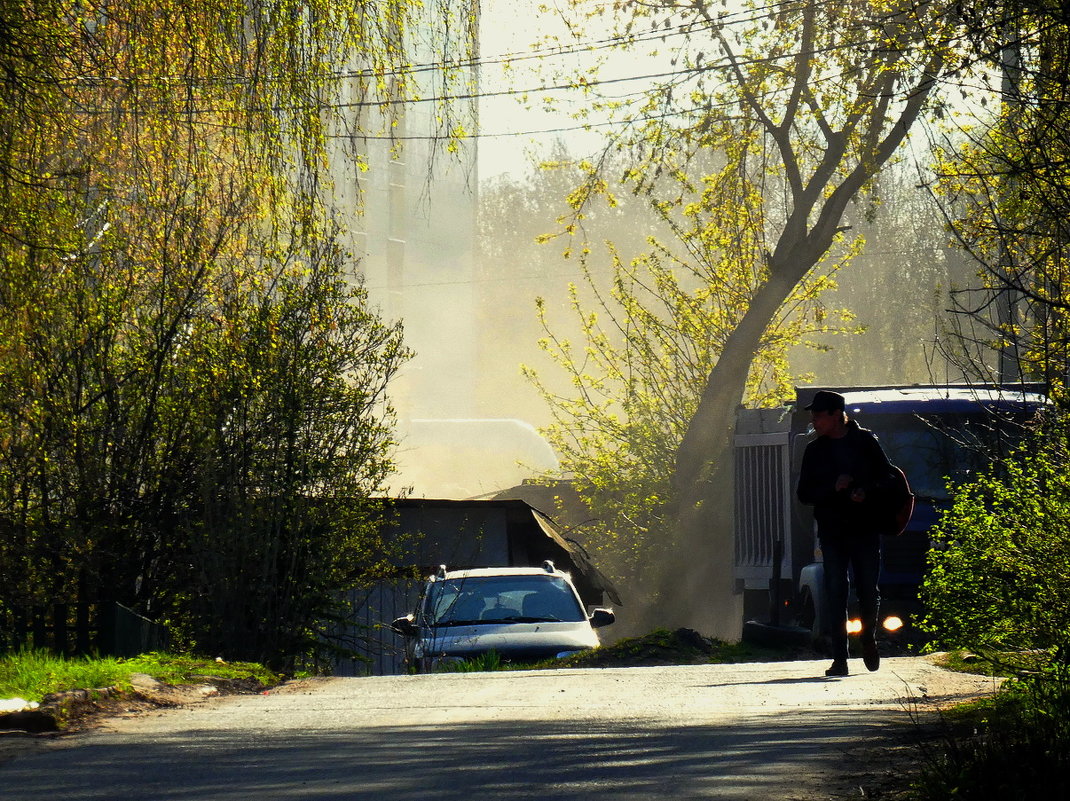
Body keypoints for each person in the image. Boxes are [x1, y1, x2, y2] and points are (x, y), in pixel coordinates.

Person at [796, 390, 891, 677]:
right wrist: (832, 488)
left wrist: (866, 490)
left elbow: (887, 476)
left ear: (837, 415)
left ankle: (868, 639)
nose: (814, 420)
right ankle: (840, 658)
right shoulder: (814, 450)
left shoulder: (865, 442)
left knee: (867, 590)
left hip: (865, 529)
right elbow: (803, 494)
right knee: (836, 591)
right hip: (832, 532)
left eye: (818, 415)